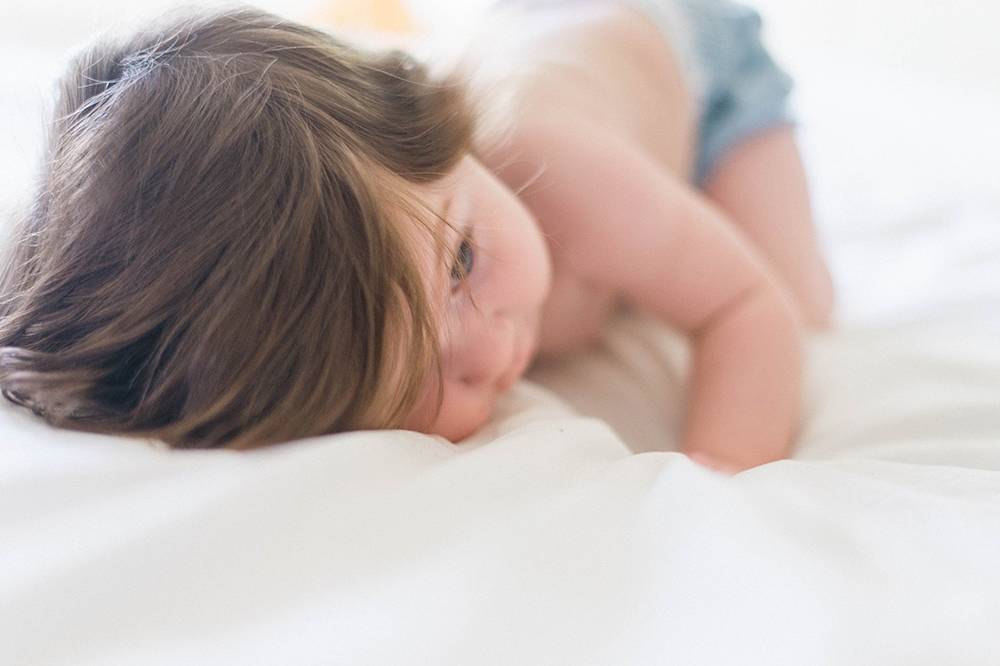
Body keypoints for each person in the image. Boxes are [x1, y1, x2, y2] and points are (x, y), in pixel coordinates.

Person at [0, 2, 832, 471]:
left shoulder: (559, 166)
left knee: (806, 306)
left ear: (442, 125)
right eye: (412, 379)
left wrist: (719, 474)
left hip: (694, 59)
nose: (490, 350)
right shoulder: (355, 279)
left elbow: (746, 308)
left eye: (463, 261)